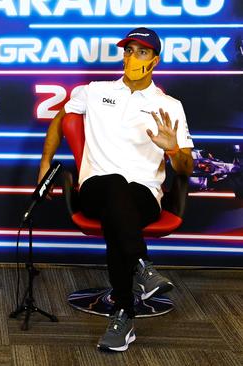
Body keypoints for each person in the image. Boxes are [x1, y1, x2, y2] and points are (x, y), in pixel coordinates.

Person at [38, 28, 194, 352]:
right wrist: (45, 163)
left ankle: (123, 313)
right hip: (95, 187)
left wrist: (173, 149)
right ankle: (140, 266)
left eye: (141, 52)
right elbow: (60, 119)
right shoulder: (95, 91)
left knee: (119, 209)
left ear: (155, 61)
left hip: (144, 195)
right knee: (113, 184)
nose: (131, 57)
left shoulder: (170, 106)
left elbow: (185, 169)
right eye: (128, 50)